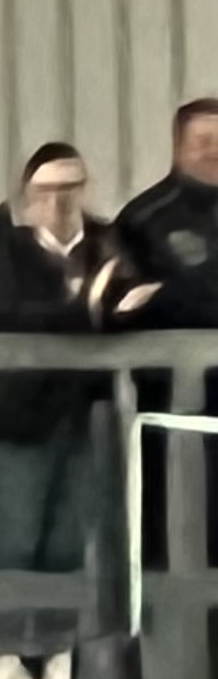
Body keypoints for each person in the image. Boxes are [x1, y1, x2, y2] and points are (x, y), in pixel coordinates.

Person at [0, 144, 121, 679]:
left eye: (71, 187)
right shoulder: (3, 239)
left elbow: (131, 301)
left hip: (79, 410)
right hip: (6, 417)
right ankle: (6, 661)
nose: (60, 201)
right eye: (47, 190)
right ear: (28, 193)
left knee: (70, 539)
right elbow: (4, 313)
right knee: (15, 539)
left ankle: (57, 651)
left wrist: (96, 305)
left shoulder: (104, 241)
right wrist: (84, 307)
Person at [108, 100, 218, 565]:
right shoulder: (143, 219)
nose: (214, 152)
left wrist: (171, 292)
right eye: (203, 142)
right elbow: (125, 307)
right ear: (178, 147)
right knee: (173, 529)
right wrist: (181, 296)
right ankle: (172, 632)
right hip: (173, 406)